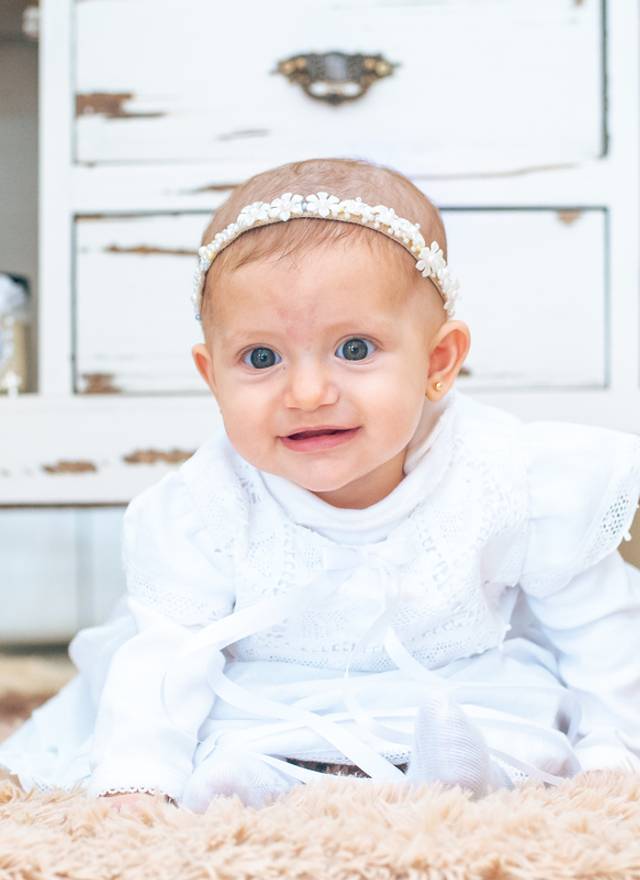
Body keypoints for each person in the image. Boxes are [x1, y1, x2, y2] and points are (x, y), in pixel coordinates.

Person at [2, 157, 640, 813]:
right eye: (261, 358)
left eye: (356, 349)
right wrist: (137, 779)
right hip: (269, 698)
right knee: (221, 748)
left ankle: (462, 772)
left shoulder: (508, 475)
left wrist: (610, 752)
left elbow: (598, 632)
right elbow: (169, 658)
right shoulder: (207, 504)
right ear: (211, 373)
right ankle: (255, 782)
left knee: (526, 742)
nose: (307, 393)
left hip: (459, 687)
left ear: (438, 362)